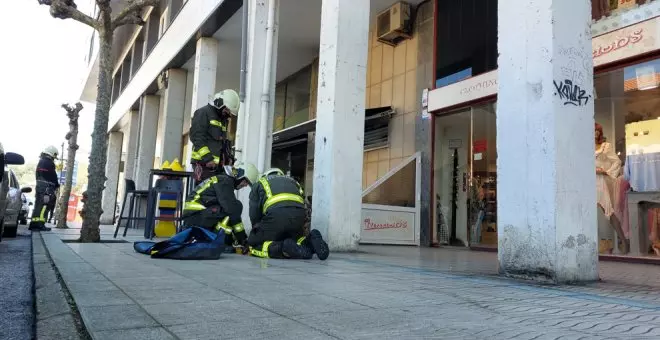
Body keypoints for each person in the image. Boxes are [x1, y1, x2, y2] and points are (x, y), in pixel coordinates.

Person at [248, 168, 329, 260]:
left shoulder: (260, 183)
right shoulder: (294, 182)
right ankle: (310, 239)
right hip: (298, 217)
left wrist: (257, 231)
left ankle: (283, 248)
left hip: (276, 217)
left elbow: (254, 214)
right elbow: (302, 203)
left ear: (265, 175)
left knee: (253, 243)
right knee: (295, 239)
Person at [182, 163, 258, 253]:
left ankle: (224, 241)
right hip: (196, 216)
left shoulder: (223, 180)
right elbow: (232, 211)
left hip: (195, 216)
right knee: (235, 207)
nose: (245, 185)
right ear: (241, 176)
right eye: (246, 182)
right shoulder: (225, 181)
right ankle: (220, 242)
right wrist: (243, 239)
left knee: (233, 206)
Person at [189, 89, 240, 185]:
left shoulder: (222, 119)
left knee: (215, 196)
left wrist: (228, 158)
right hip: (203, 165)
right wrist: (208, 159)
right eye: (227, 110)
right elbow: (196, 137)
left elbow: (223, 142)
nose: (228, 113)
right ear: (220, 103)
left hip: (217, 167)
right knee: (205, 195)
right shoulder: (203, 113)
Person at [29, 146, 60, 232]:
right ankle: (40, 224)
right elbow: (53, 176)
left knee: (38, 205)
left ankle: (34, 223)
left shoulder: (41, 161)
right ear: (52, 154)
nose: (54, 158)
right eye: (54, 156)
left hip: (40, 187)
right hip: (47, 189)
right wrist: (56, 185)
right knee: (44, 206)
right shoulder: (49, 163)